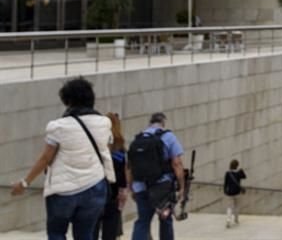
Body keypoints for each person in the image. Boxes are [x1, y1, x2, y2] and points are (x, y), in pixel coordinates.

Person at [10, 76, 115, 240]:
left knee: (57, 233)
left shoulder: (58, 126)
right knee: (86, 234)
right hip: (95, 187)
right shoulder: (105, 123)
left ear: (67, 101)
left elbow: (46, 158)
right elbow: (105, 151)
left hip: (63, 191)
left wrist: (25, 182)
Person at [128, 113, 185, 240]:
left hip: (140, 187)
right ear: (163, 123)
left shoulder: (138, 139)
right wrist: (181, 186)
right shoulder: (169, 136)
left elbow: (130, 167)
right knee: (165, 220)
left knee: (143, 221)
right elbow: (177, 163)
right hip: (162, 188)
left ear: (150, 123)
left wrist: (130, 187)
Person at [94, 112, 127, 240]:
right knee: (110, 232)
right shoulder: (119, 148)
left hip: (95, 192)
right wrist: (123, 192)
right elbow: (121, 174)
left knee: (92, 231)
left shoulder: (96, 144)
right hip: (113, 194)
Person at [222, 159, 247, 228]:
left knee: (229, 207)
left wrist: (225, 191)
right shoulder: (238, 173)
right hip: (237, 192)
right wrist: (242, 171)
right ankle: (236, 219)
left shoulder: (227, 173)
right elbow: (245, 177)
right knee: (236, 206)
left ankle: (228, 220)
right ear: (237, 166)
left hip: (229, 192)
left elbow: (225, 183)